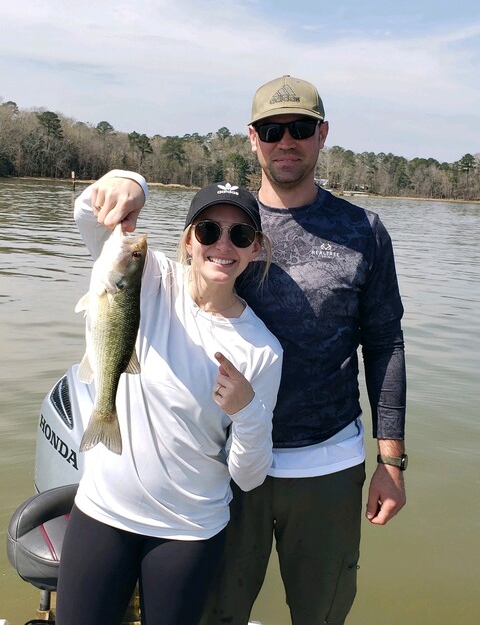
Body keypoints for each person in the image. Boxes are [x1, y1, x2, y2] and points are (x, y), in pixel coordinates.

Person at [89, 74, 407, 625]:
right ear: (252, 137)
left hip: (327, 464)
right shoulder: (221, 224)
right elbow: (129, 259)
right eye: (272, 128)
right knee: (216, 611)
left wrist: (391, 460)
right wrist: (129, 182)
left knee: (324, 611)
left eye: (300, 128)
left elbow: (385, 343)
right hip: (222, 467)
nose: (287, 140)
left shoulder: (365, 230)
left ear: (322, 134)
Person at [55, 177, 283, 625]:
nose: (223, 245)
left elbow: (250, 476)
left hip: (188, 532)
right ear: (188, 240)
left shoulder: (263, 349)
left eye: (240, 235)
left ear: (255, 248)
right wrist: (130, 183)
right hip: (103, 510)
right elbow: (86, 213)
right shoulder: (147, 276)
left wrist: (247, 410)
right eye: (208, 231)